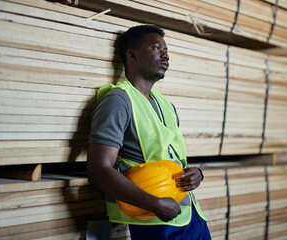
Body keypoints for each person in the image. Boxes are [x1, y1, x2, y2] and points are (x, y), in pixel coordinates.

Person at [87, 25, 211, 240]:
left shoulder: (166, 105)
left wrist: (196, 174)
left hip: (190, 216)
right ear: (132, 55)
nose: (165, 54)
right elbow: (98, 170)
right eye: (156, 48)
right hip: (155, 221)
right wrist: (153, 203)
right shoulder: (118, 101)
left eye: (166, 49)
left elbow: (171, 160)